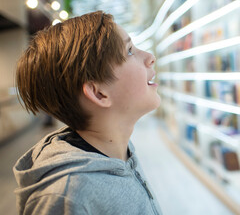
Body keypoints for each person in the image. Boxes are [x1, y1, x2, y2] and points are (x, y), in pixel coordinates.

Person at [13, 11, 162, 215]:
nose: (150, 57)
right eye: (129, 51)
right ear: (99, 93)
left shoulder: (119, 152)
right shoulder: (67, 196)